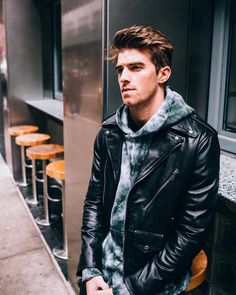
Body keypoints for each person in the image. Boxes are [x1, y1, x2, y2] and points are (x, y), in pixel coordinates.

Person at [76, 25, 220, 295]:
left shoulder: (198, 140)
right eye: (120, 70)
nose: (124, 78)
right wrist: (90, 268)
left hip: (152, 281)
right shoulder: (109, 133)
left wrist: (129, 288)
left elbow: (190, 233)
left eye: (136, 68)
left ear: (163, 73)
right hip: (103, 272)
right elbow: (94, 203)